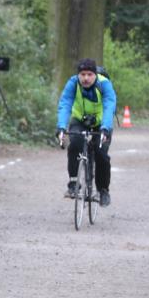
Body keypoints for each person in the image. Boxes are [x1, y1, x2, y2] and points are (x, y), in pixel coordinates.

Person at [55, 58, 116, 207]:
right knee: (75, 142)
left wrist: (105, 128)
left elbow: (109, 106)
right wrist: (61, 127)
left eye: (89, 74)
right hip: (80, 121)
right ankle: (73, 182)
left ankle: (103, 190)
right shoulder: (73, 83)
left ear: (95, 74)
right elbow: (65, 104)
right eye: (82, 74)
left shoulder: (104, 85)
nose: (86, 78)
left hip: (102, 124)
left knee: (101, 154)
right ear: (78, 75)